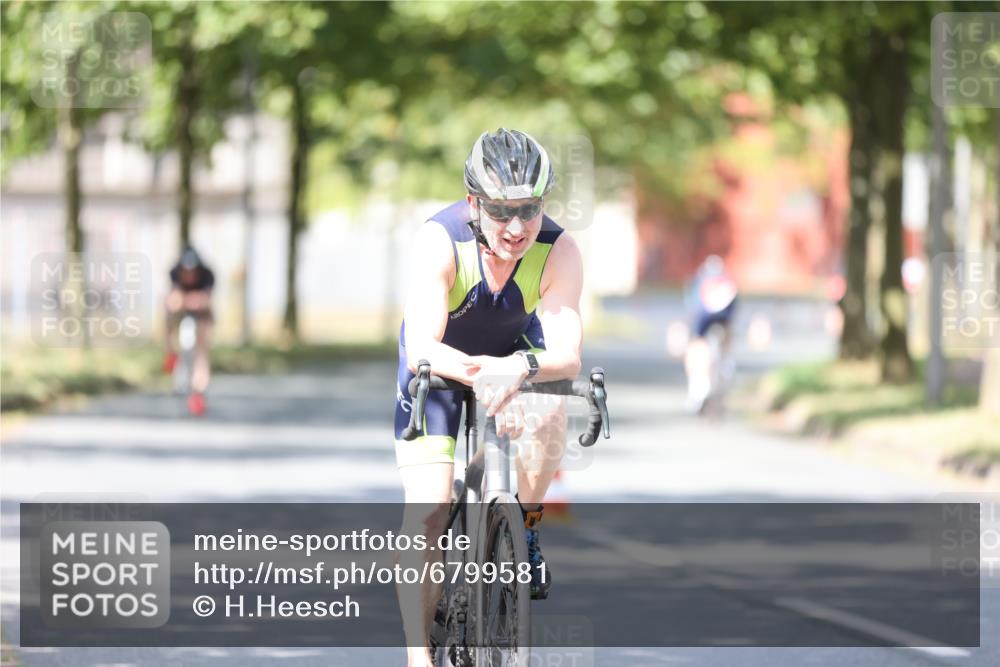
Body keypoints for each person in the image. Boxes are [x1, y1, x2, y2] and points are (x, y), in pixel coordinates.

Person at [394, 128, 584, 665]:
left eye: (529, 209)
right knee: (428, 512)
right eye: (501, 211)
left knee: (553, 408)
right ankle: (417, 657)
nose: (518, 226)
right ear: (474, 202)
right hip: (442, 365)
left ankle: (521, 524)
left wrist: (518, 369)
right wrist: (481, 374)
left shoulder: (560, 249)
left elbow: (565, 353)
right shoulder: (440, 239)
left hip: (515, 361)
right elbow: (422, 347)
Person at [163, 246, 215, 416]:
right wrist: (183, 301)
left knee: (201, 349)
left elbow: (205, 301)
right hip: (181, 313)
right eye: (186, 270)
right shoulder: (175, 273)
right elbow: (173, 300)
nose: (189, 274)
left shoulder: (207, 275)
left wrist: (189, 301)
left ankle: (199, 390)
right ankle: (170, 352)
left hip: (201, 315)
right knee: (168, 318)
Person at [684, 254, 738, 413]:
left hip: (706, 322)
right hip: (716, 323)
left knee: (698, 346)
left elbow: (693, 309)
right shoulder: (725, 283)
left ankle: (701, 386)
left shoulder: (700, 282)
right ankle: (722, 372)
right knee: (717, 345)